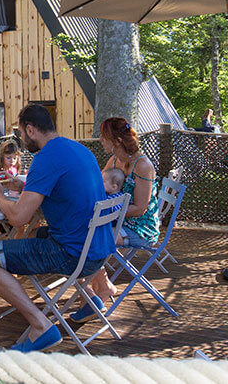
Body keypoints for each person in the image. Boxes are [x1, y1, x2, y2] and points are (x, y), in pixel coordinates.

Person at [0, 104, 114, 352]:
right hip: (98, 251)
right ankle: (89, 299)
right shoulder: (79, 150)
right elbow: (62, 190)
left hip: (73, 255)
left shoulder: (46, 158)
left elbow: (18, 218)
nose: (21, 139)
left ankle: (41, 326)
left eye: (20, 133)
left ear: (30, 129)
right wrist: (19, 187)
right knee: (39, 233)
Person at [74, 117, 161, 323]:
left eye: (104, 138)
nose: (101, 141)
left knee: (87, 240)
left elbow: (140, 208)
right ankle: (98, 289)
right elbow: (97, 189)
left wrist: (108, 213)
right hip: (116, 220)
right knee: (77, 234)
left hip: (140, 227)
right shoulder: (113, 162)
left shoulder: (143, 165)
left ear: (117, 141)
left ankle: (96, 291)